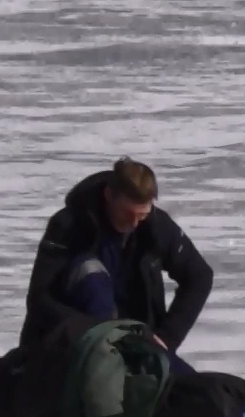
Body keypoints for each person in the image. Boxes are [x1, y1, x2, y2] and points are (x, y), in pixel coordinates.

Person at [17, 157, 213, 374]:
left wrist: (167, 336)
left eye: (142, 215)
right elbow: (40, 299)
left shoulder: (155, 226)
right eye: (128, 214)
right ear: (109, 195)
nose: (134, 224)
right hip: (75, 343)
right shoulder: (69, 225)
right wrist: (95, 332)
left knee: (198, 389)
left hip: (136, 342)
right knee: (89, 269)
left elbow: (199, 276)